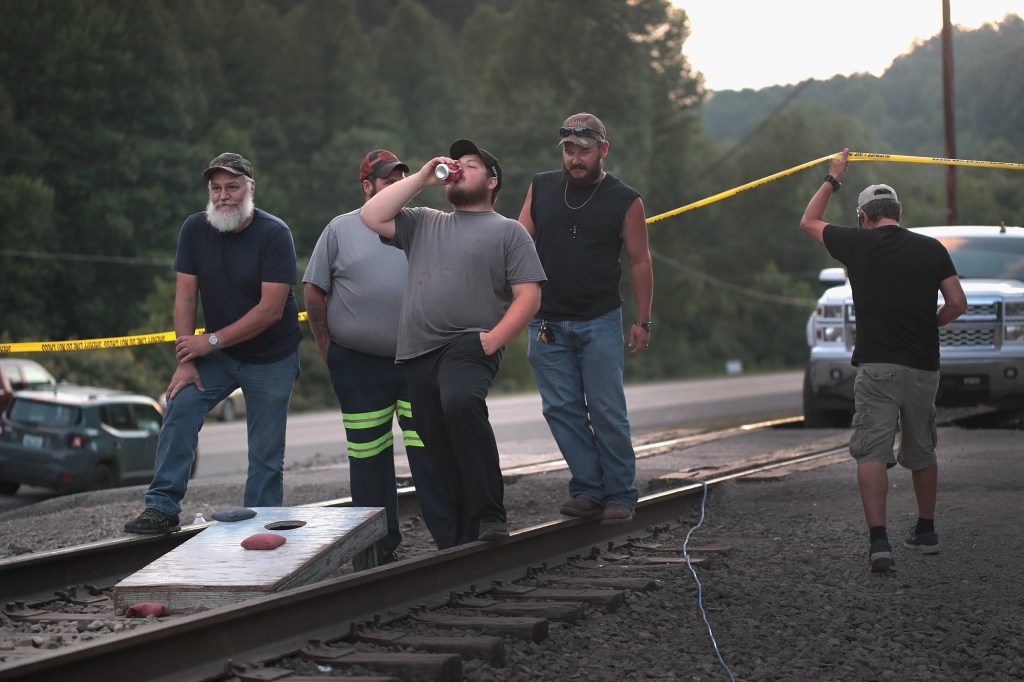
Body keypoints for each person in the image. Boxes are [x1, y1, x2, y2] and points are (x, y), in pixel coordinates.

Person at [360, 139, 546, 548]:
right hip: (416, 352)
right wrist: (425, 175)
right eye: (455, 164)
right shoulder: (425, 220)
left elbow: (529, 295)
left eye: (472, 165)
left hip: (469, 346)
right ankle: (459, 539)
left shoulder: (509, 232)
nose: (460, 168)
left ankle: (490, 516)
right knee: (434, 441)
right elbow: (372, 214)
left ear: (492, 180)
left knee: (461, 404)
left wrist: (492, 340)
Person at [799, 147, 966, 572]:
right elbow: (958, 303)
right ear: (897, 213)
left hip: (877, 367)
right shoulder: (932, 249)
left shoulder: (858, 245)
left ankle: (879, 544)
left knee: (872, 451)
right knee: (922, 448)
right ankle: (925, 531)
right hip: (923, 366)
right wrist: (932, 321)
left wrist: (833, 178)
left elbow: (808, 222)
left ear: (865, 217)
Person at [125, 152, 302, 534]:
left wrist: (212, 340)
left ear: (250, 188)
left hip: (272, 356)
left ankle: (261, 524)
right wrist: (187, 360)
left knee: (266, 451)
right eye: (216, 188)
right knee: (181, 403)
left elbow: (271, 310)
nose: (223, 196)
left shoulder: (275, 234)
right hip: (218, 354)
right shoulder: (195, 229)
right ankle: (161, 507)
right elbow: (185, 297)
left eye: (232, 187)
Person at [517, 112, 653, 526]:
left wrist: (643, 320)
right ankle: (589, 489)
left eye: (584, 150)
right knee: (561, 407)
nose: (576, 158)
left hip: (599, 320)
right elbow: (518, 243)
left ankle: (620, 493)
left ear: (602, 150)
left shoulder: (625, 199)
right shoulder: (541, 187)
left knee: (606, 408)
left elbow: (639, 261)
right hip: (546, 323)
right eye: (570, 150)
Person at [302, 149, 425, 563]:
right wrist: (328, 348)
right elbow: (314, 290)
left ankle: (453, 537)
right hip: (358, 365)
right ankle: (375, 547)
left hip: (418, 361)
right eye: (389, 180)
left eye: (401, 179)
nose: (397, 187)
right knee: (369, 458)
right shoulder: (340, 229)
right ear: (368, 186)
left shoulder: (423, 223)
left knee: (430, 449)